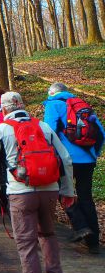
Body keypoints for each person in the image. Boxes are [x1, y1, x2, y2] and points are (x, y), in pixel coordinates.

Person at [0, 91, 75, 273]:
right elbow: (66, 158)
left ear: (4, 109)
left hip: (20, 192)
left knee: (26, 243)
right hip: (50, 189)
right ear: (23, 105)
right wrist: (68, 190)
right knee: (48, 235)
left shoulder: (1, 129)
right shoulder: (43, 126)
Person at [43, 82, 103, 254]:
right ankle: (93, 243)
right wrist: (94, 154)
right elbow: (101, 133)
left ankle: (81, 226)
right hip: (88, 160)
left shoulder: (53, 104)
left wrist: (51, 155)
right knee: (86, 197)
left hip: (66, 159)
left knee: (62, 192)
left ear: (52, 93)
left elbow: (49, 132)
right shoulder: (83, 106)